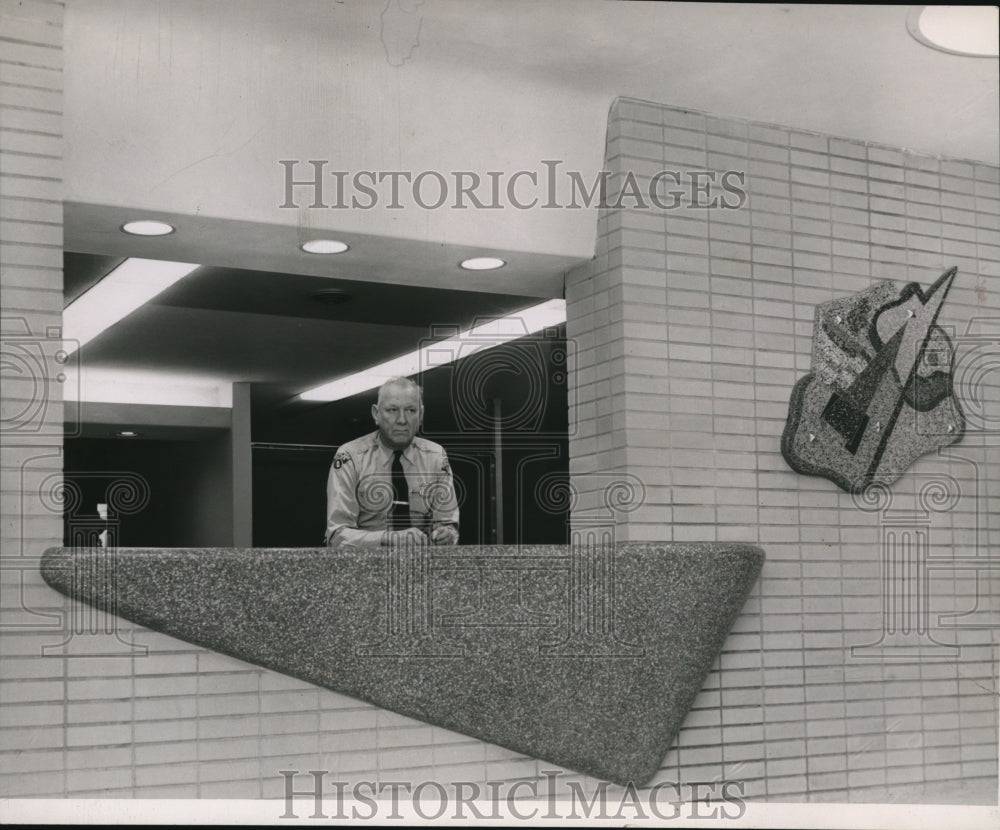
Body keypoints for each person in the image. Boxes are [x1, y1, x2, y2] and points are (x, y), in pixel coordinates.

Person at [325, 376, 460, 548]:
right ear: (376, 414)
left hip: (420, 565)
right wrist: (389, 538)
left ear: (421, 414)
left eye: (411, 410)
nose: (402, 419)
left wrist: (447, 534)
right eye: (392, 410)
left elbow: (449, 525)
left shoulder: (435, 456)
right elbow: (337, 536)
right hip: (363, 566)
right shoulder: (350, 456)